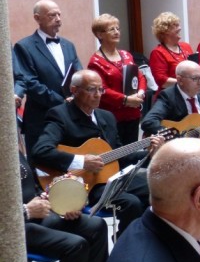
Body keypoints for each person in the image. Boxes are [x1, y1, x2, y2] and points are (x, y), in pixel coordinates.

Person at [32, 70, 165, 236]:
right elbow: (40, 151)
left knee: (158, 187)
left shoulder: (106, 117)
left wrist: (149, 153)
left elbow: (120, 157)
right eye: (91, 90)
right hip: (83, 184)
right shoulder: (60, 115)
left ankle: (146, 237)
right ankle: (126, 242)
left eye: (100, 90)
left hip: (112, 178)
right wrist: (81, 161)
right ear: (74, 90)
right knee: (131, 203)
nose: (97, 95)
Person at [21, 149, 108, 262]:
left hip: (38, 216)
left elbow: (31, 188)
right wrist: (26, 210)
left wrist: (59, 201)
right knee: (76, 246)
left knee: (97, 225)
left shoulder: (12, 149)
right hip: (16, 228)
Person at [14, 0, 82, 158]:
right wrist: (62, 102)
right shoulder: (24, 46)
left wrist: (77, 96)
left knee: (71, 167)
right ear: (37, 18)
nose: (58, 18)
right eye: (52, 15)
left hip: (70, 119)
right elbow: (29, 82)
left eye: (59, 14)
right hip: (41, 120)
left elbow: (79, 74)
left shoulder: (68, 45)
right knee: (42, 171)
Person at [87, 14, 147, 145]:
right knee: (117, 154)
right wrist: (125, 100)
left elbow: (140, 76)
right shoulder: (95, 62)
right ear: (99, 34)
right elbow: (102, 90)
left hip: (133, 112)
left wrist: (141, 93)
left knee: (132, 151)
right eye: (111, 29)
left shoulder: (126, 54)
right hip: (112, 116)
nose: (116, 32)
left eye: (118, 29)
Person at [141, 61, 200, 137]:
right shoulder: (168, 96)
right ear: (180, 80)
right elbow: (148, 122)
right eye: (195, 78)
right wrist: (176, 136)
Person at [149, 12, 194, 92]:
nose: (180, 28)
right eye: (175, 26)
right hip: (171, 96)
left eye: (178, 25)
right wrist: (187, 83)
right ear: (165, 30)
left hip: (190, 93)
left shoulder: (186, 46)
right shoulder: (158, 52)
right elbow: (162, 81)